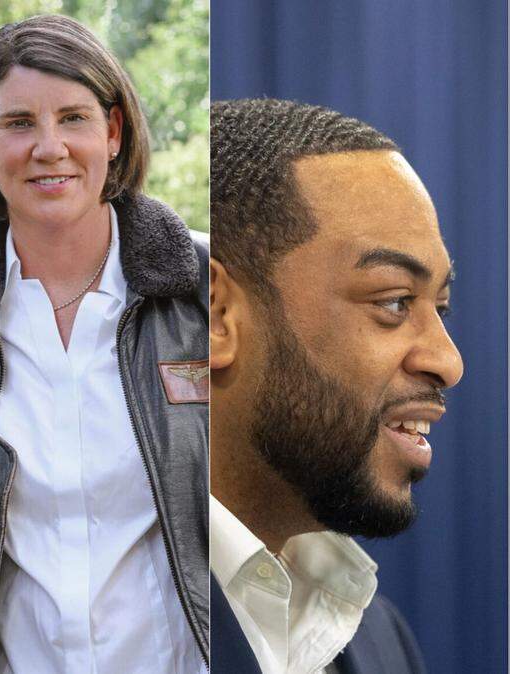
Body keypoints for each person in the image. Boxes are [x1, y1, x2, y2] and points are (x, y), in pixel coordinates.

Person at [0, 15, 208, 673]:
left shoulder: (212, 293)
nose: (49, 148)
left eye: (73, 118)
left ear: (113, 131)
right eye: (19, 123)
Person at [208, 98, 461, 673]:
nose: (448, 362)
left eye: (441, 307)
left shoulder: (382, 641)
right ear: (216, 316)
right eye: (394, 301)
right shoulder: (69, 619)